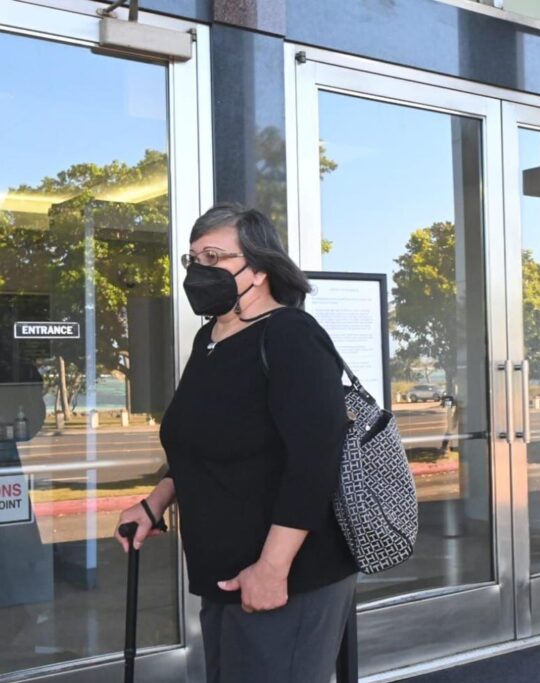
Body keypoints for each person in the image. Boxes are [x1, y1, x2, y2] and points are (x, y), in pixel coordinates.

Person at [115, 204, 356, 683]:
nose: (198, 272)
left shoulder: (291, 335)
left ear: (260, 269)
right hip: (222, 572)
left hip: (288, 577)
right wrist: (153, 503)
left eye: (213, 257)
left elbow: (313, 462)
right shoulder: (211, 338)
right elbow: (198, 445)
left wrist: (272, 568)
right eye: (192, 260)